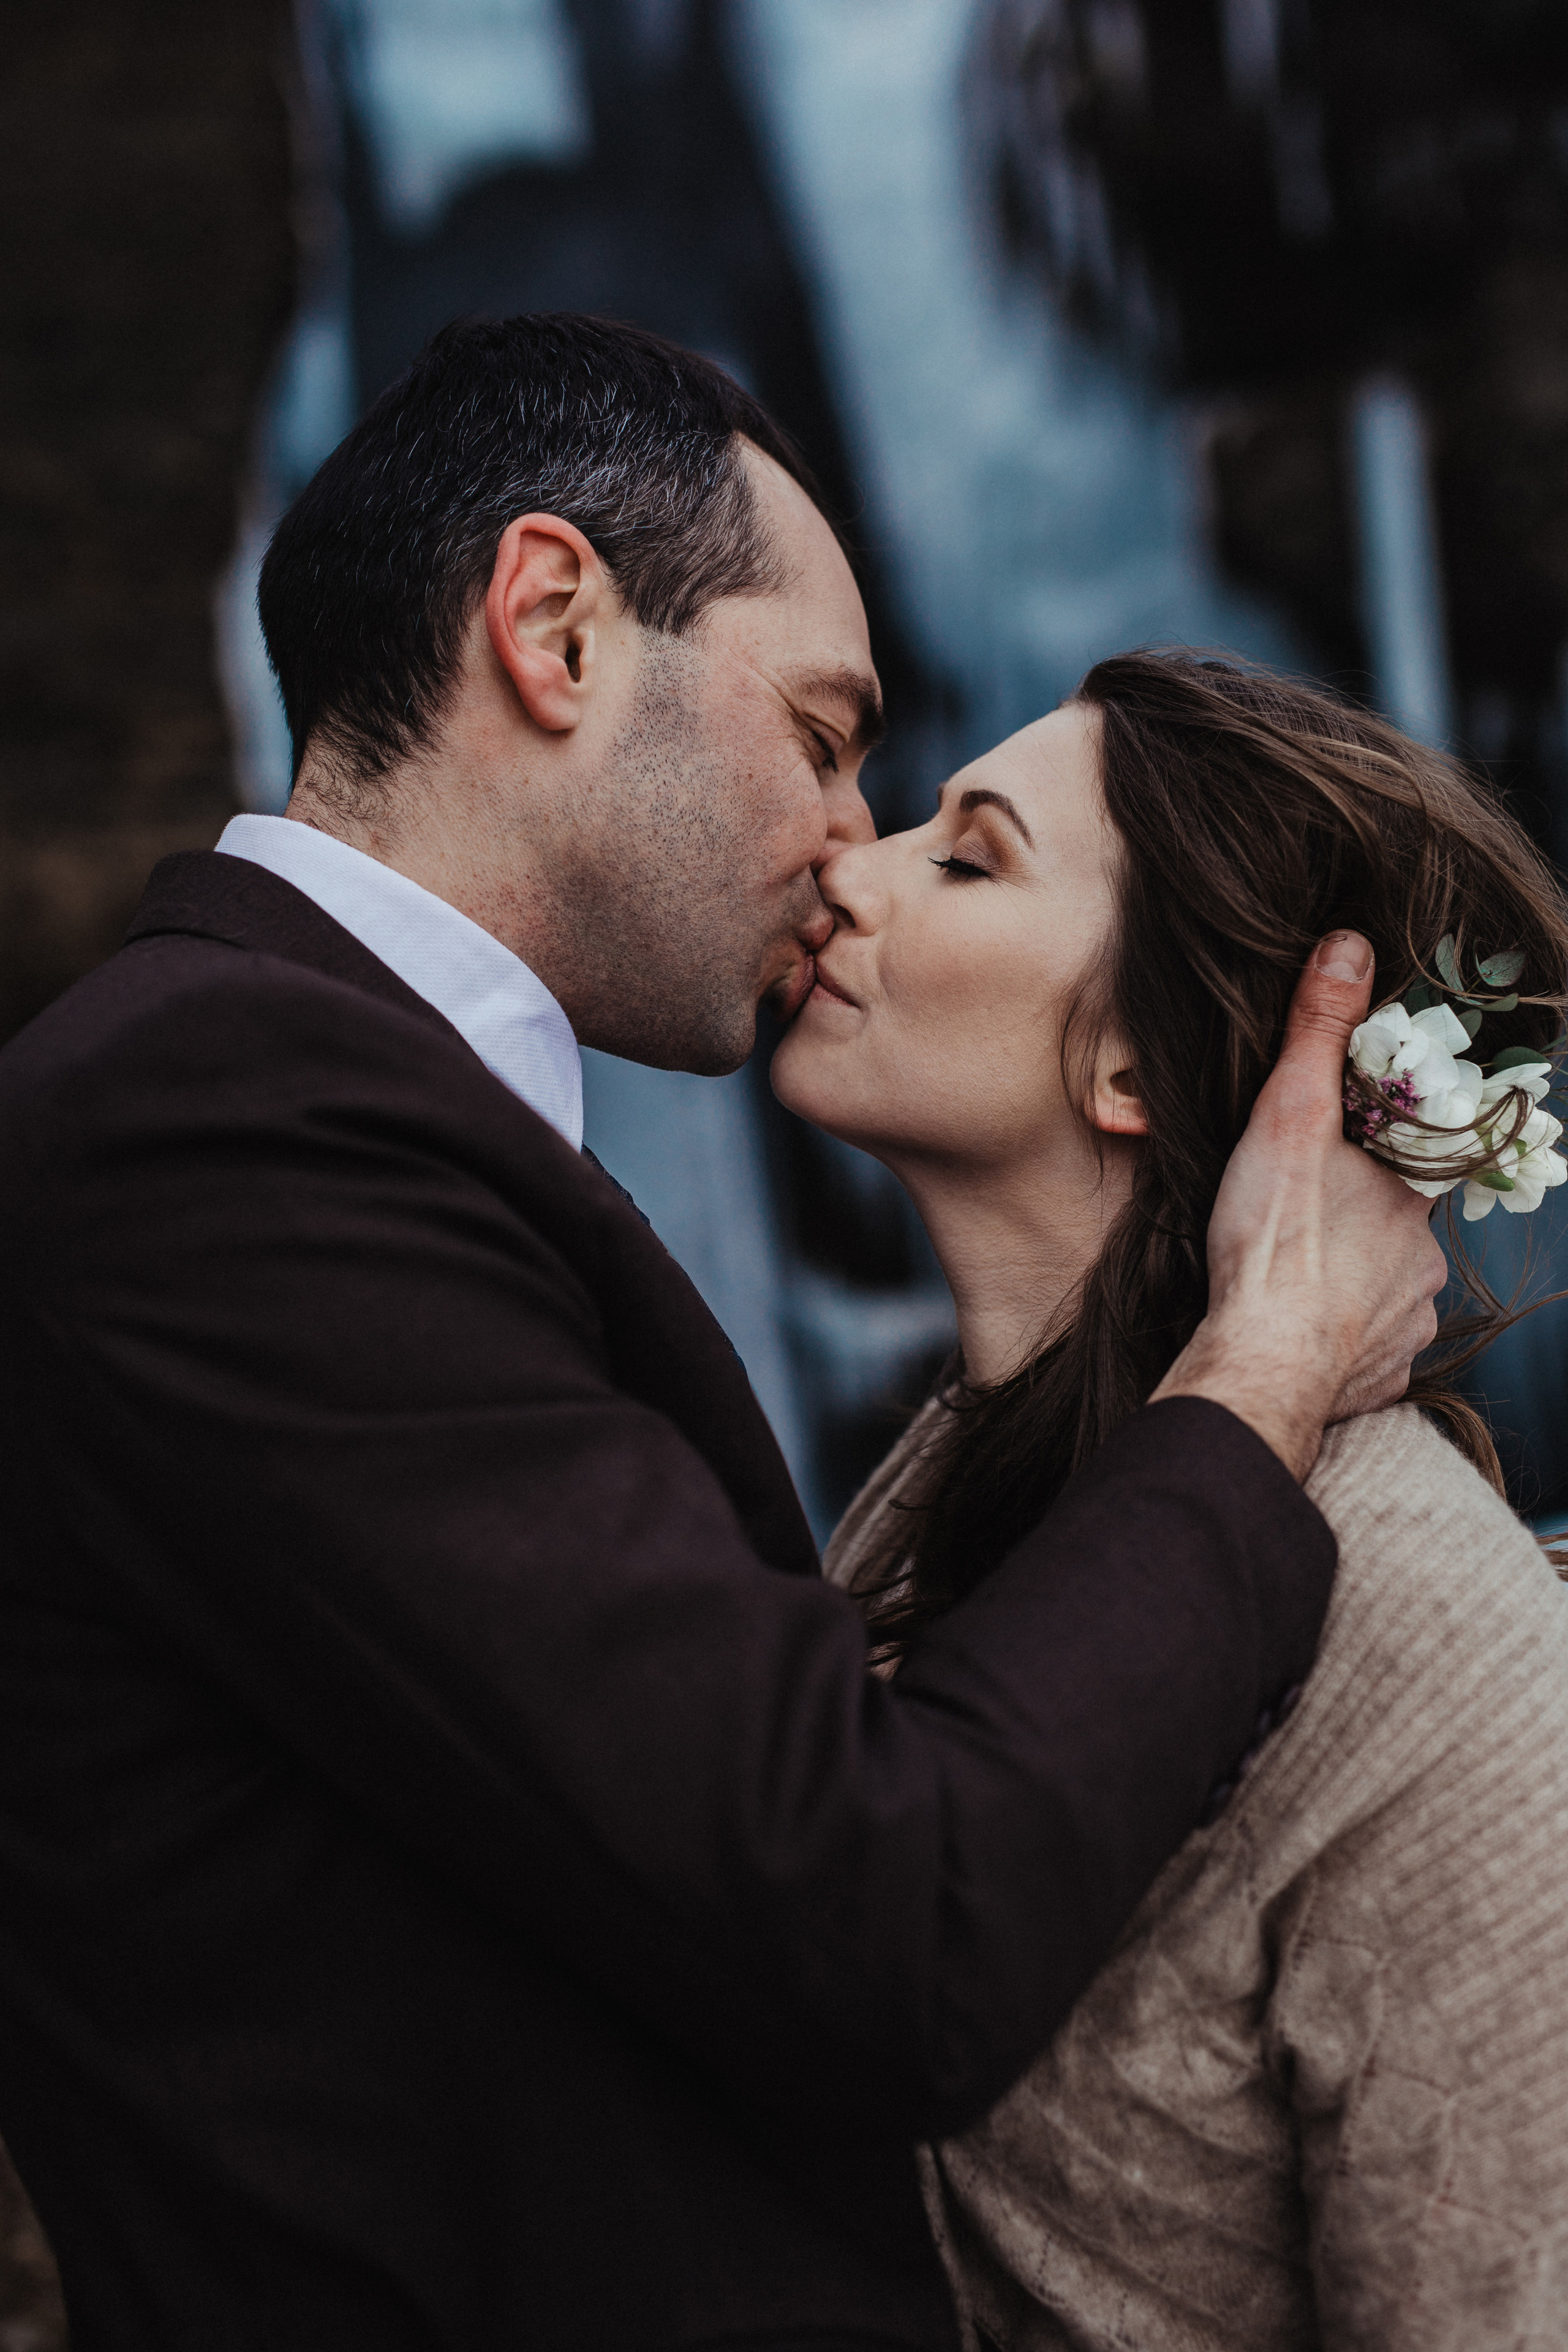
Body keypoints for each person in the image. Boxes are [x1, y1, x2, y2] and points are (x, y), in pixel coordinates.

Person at [0, 319, 1442, 2352]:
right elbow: (878, 1910)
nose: (851, 845)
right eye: (828, 730)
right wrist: (1269, 1364)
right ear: (559, 628)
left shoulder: (319, 1117)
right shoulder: (217, 1125)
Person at [780, 650, 1568, 2351]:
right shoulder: (943, 1500)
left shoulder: (1442, 1654)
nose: (843, 865)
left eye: (965, 855)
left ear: (1136, 1068)